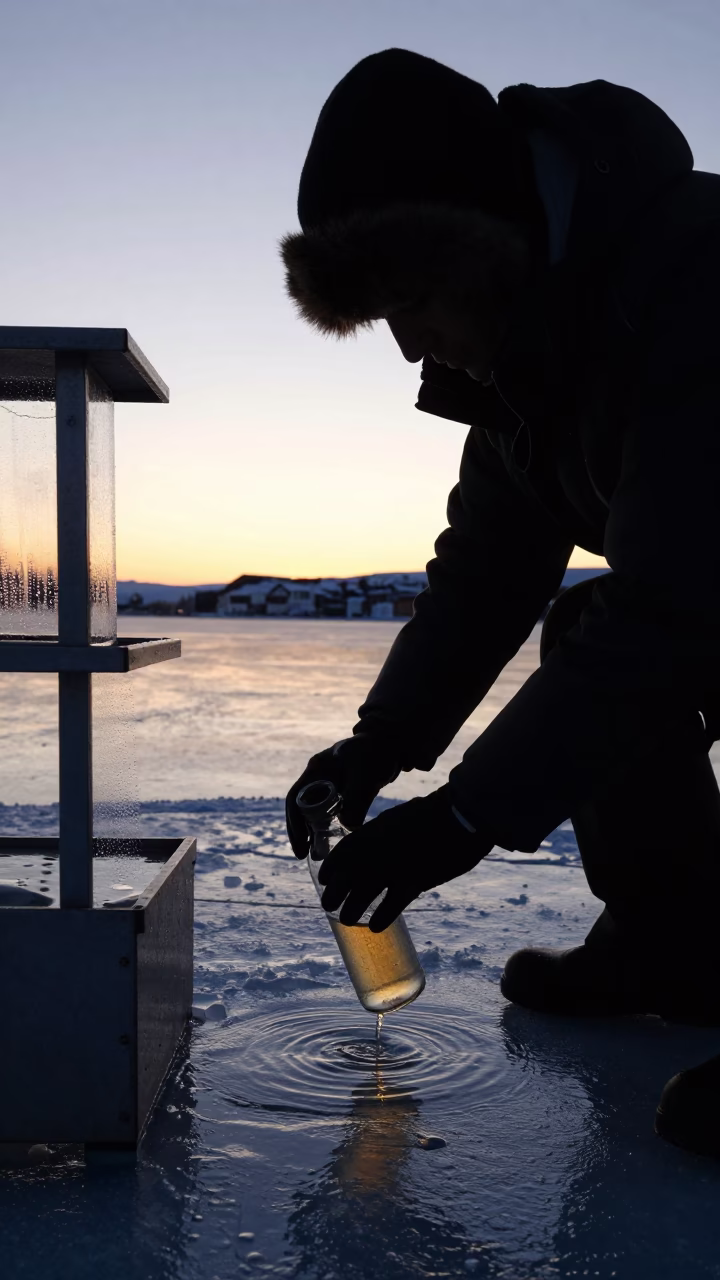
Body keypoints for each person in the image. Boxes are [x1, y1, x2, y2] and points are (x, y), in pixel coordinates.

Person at [280, 48, 720, 1157]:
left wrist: (465, 819)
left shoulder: (693, 281)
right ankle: (674, 946)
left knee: (633, 645)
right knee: (582, 629)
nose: (409, 347)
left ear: (483, 244)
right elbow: (485, 576)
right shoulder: (530, 355)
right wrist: (376, 747)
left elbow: (678, 606)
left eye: (412, 303)